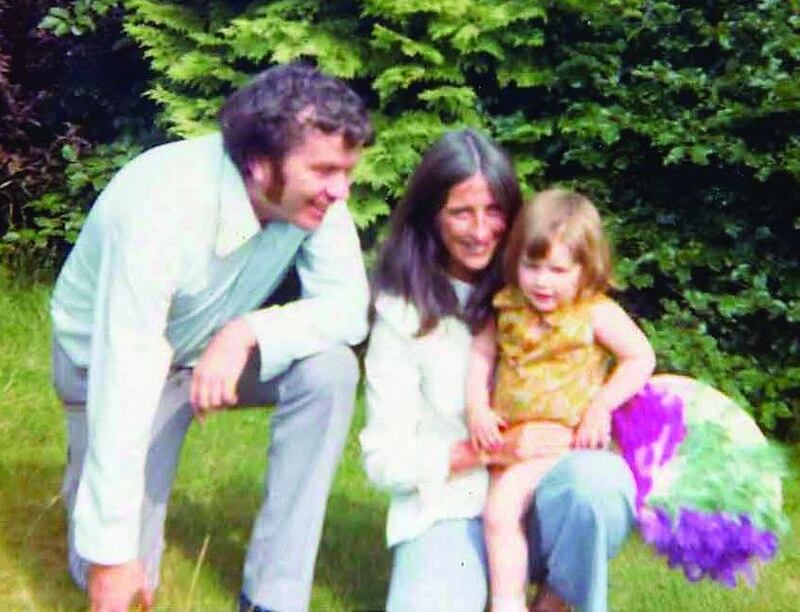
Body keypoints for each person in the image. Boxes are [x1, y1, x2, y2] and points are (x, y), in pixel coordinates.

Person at [50, 62, 373, 612]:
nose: (339, 190)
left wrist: (247, 330)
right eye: (323, 171)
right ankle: (86, 491)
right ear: (258, 163)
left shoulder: (317, 198)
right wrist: (109, 556)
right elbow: (125, 376)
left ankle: (274, 594)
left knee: (331, 368)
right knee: (118, 577)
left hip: (207, 355)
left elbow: (348, 309)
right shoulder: (160, 203)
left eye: (345, 170)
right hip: (105, 370)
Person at [359, 130, 640, 612]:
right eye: (461, 212)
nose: (480, 229)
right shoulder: (402, 315)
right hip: (454, 506)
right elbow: (382, 461)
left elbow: (629, 360)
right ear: (431, 217)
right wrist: (484, 449)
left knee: (599, 487)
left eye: (493, 211)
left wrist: (604, 411)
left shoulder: (547, 286)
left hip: (552, 490)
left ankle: (556, 601)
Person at [466, 189, 656, 612]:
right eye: (532, 266)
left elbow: (640, 356)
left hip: (568, 444)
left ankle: (510, 602)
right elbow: (481, 354)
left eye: (558, 269)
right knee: (499, 517)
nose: (542, 281)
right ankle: (521, 598)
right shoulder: (507, 306)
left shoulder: (594, 312)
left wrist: (601, 406)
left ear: (586, 270)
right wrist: (477, 407)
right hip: (513, 441)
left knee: (500, 513)